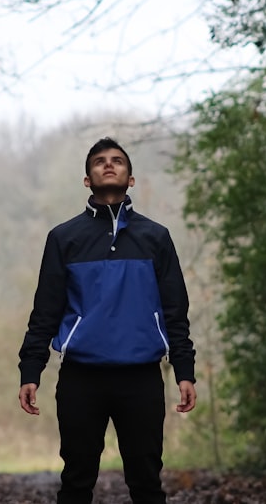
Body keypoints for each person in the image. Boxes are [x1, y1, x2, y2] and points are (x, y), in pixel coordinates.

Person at [17, 137, 197, 504]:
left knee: (146, 482)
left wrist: (185, 370)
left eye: (117, 160)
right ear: (87, 179)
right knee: (76, 481)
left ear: (132, 178)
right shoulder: (64, 238)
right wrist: (31, 370)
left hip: (142, 377)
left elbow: (175, 310)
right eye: (99, 161)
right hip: (81, 377)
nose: (109, 165)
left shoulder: (156, 238)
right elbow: (46, 311)